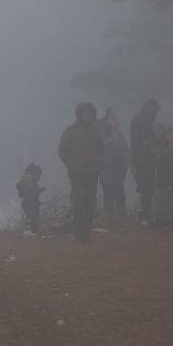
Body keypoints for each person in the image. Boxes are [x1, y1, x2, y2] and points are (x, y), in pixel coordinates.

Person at [58, 102, 103, 243]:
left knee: (90, 200)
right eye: (85, 113)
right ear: (79, 114)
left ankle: (86, 232)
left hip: (92, 172)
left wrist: (99, 164)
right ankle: (78, 231)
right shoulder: (70, 131)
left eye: (90, 113)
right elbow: (62, 151)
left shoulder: (96, 131)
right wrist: (71, 165)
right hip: (76, 172)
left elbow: (101, 150)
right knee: (79, 198)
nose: (87, 116)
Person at [130, 99, 161, 225]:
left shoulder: (143, 120)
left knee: (144, 188)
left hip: (144, 159)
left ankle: (144, 215)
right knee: (145, 188)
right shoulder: (141, 121)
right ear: (148, 108)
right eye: (154, 110)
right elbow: (143, 142)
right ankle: (144, 217)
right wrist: (153, 144)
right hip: (144, 160)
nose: (155, 114)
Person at [99, 117, 129, 223]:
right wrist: (123, 173)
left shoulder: (99, 144)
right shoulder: (117, 143)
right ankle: (122, 218)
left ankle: (110, 218)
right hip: (116, 174)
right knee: (119, 197)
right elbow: (122, 159)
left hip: (105, 175)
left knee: (108, 197)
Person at [16, 163, 45, 235]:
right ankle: (28, 231)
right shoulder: (29, 180)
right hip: (29, 202)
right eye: (38, 174)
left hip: (31, 202)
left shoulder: (27, 180)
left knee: (34, 217)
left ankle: (34, 231)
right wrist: (40, 189)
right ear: (33, 173)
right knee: (30, 217)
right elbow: (31, 190)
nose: (39, 177)